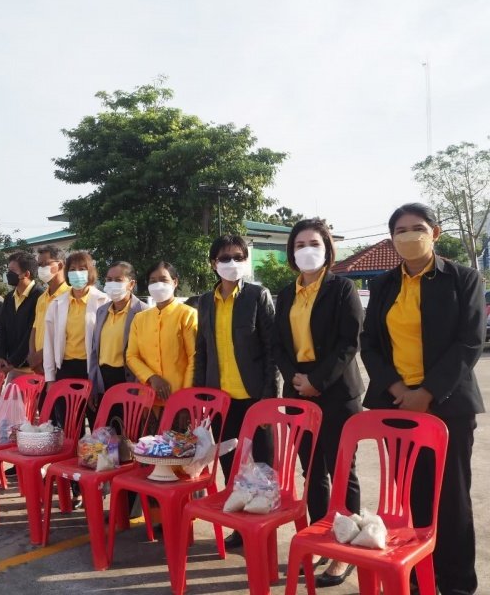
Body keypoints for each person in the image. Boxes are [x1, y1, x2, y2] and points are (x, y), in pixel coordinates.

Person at [361, 203, 484, 595]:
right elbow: (370, 346)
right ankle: (416, 577)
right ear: (392, 238)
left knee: (450, 499)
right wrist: (399, 390)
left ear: (436, 232)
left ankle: (457, 584)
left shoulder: (462, 279)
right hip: (396, 406)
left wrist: (428, 393)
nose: (408, 236)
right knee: (410, 496)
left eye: (417, 228)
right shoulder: (383, 285)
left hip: (448, 406)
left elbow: (469, 343)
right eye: (400, 230)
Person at [271, 219, 364, 585]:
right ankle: (323, 539)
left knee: (344, 471)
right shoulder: (285, 293)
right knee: (312, 473)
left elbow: (349, 341)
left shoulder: (342, 288)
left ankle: (347, 549)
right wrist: (297, 379)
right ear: (291, 253)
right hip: (298, 390)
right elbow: (277, 343)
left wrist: (317, 381)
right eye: (299, 244)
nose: (306, 249)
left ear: (326, 248)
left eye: (313, 242)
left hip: (337, 391)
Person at [194, 235, 278, 549]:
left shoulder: (258, 295)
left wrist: (270, 396)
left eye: (237, 257)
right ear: (213, 263)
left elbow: (272, 350)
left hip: (255, 397)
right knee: (232, 466)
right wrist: (200, 395)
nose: (231, 263)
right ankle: (241, 528)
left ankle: (265, 526)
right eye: (224, 258)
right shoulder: (204, 301)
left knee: (263, 465)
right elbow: (201, 351)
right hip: (221, 400)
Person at [126, 261, 197, 413]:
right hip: (148, 398)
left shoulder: (187, 314)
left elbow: (194, 359)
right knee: (147, 437)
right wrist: (152, 377)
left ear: (175, 282)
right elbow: (131, 356)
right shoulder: (140, 318)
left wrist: (185, 399)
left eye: (163, 280)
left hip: (178, 399)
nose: (158, 285)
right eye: (153, 281)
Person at [44, 251, 109, 388]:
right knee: (65, 408)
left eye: (82, 269)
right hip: (65, 367)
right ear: (67, 273)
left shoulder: (104, 301)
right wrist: (50, 378)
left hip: (91, 367)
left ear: (90, 272)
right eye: (72, 269)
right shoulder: (56, 304)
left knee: (91, 408)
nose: (77, 273)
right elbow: (49, 342)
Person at [89, 261, 148, 397]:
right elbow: (94, 351)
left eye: (118, 280)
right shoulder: (102, 311)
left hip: (127, 378)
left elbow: (146, 355)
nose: (112, 284)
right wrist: (93, 383)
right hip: (103, 379)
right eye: (109, 280)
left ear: (131, 284)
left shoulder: (143, 311)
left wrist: (140, 389)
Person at [0, 251, 45, 377]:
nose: (8, 274)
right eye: (8, 269)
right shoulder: (9, 298)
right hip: (11, 367)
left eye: (12, 270)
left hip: (32, 369)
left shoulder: (40, 297)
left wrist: (12, 362)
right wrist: (0, 357)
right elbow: (2, 329)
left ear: (26, 274)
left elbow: (30, 333)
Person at [29, 245, 71, 375]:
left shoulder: (70, 296)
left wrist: (42, 355)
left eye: (45, 264)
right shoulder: (42, 298)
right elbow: (35, 328)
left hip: (60, 363)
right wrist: (33, 356)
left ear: (60, 265)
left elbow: (68, 333)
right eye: (39, 265)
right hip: (39, 365)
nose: (41, 269)